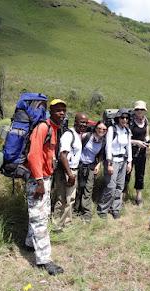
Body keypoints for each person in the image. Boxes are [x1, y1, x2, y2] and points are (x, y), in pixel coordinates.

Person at [25, 98, 66, 276]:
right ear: (50, 111)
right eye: (58, 110)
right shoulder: (43, 127)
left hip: (45, 178)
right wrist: (40, 182)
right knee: (40, 219)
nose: (62, 113)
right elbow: (33, 155)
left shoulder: (54, 129)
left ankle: (28, 243)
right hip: (37, 180)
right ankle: (44, 260)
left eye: (64, 110)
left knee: (38, 214)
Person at [52, 112, 88, 229]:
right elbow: (63, 155)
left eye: (85, 123)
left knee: (68, 198)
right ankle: (58, 224)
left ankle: (64, 223)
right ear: (75, 122)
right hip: (66, 171)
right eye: (81, 122)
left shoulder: (77, 135)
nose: (84, 125)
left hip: (71, 170)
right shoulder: (69, 135)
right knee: (63, 198)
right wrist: (70, 174)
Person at [97, 109, 132, 219]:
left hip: (123, 161)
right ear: (118, 118)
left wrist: (129, 162)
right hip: (113, 161)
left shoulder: (127, 130)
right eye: (122, 117)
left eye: (126, 118)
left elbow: (129, 146)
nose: (124, 120)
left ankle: (115, 209)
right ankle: (102, 210)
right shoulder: (112, 129)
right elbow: (108, 147)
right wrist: (109, 163)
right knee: (111, 186)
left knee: (120, 187)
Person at [74, 121, 107, 222]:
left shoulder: (103, 141)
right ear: (95, 128)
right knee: (78, 188)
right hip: (79, 165)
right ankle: (75, 211)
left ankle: (86, 213)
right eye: (99, 128)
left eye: (104, 129)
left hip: (91, 166)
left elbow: (101, 155)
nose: (101, 131)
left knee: (88, 189)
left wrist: (98, 164)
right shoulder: (87, 136)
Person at [124, 100, 150, 206]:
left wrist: (148, 142)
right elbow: (125, 139)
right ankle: (123, 194)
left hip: (142, 152)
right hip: (130, 152)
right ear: (135, 110)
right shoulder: (130, 122)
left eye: (142, 109)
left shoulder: (146, 121)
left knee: (140, 174)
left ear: (144, 111)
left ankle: (138, 196)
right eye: (138, 109)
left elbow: (147, 134)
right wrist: (137, 142)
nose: (140, 111)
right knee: (127, 173)